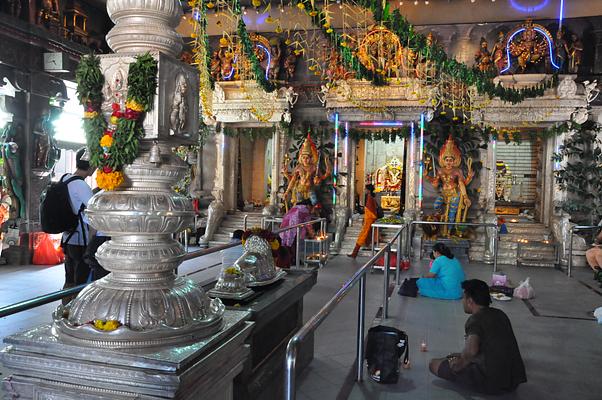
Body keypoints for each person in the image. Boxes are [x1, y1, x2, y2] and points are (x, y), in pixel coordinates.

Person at [429, 279, 527, 394]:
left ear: (470, 301)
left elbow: (472, 351)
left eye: (463, 298)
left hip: (493, 383)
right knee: (453, 356)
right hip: (513, 381)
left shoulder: (475, 320)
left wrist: (458, 365)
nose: (462, 301)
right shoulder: (500, 314)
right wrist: (461, 355)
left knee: (434, 364)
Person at [62, 148, 95, 300]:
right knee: (80, 279)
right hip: (80, 238)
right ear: (91, 165)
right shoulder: (81, 186)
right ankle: (75, 310)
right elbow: (94, 211)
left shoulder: (65, 178)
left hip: (67, 237)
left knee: (69, 277)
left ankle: (65, 309)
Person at [348, 184, 378, 258]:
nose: (364, 190)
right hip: (369, 219)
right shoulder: (370, 198)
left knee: (363, 236)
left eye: (365, 189)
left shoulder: (370, 198)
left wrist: (366, 218)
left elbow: (370, 212)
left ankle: (355, 253)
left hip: (369, 220)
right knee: (368, 235)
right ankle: (355, 253)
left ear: (368, 190)